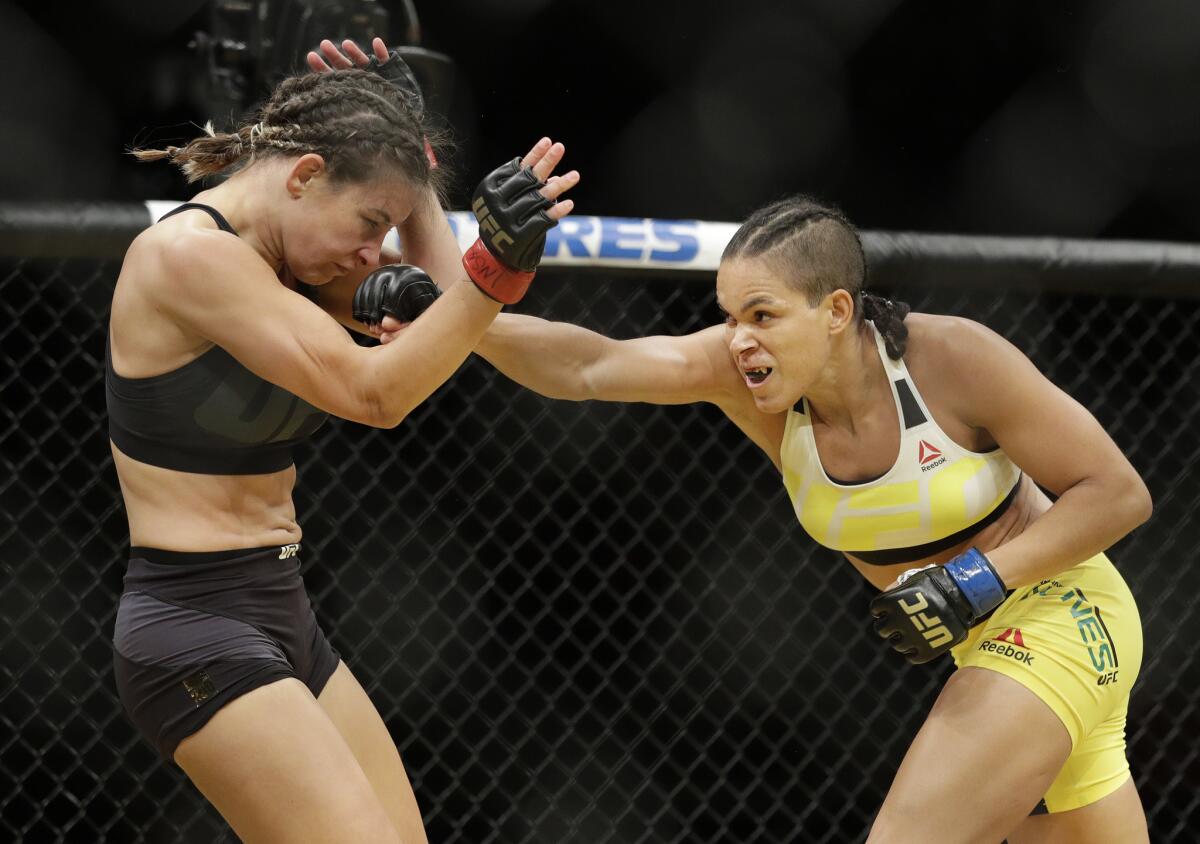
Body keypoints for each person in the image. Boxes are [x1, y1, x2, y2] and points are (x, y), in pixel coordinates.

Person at [373, 195, 1152, 842]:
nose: (739, 339)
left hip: (1061, 613)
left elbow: (1117, 493)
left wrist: (975, 581)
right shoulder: (742, 377)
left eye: (763, 314)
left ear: (836, 310)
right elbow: (586, 365)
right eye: (728, 315)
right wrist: (453, 320)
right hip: (983, 643)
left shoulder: (950, 360)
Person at [107, 36, 578, 843]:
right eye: (370, 223)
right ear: (304, 176)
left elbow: (441, 311)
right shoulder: (187, 259)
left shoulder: (296, 257)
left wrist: (413, 155)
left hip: (282, 608)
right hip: (194, 625)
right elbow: (378, 393)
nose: (372, 253)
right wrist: (497, 267)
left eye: (385, 228)